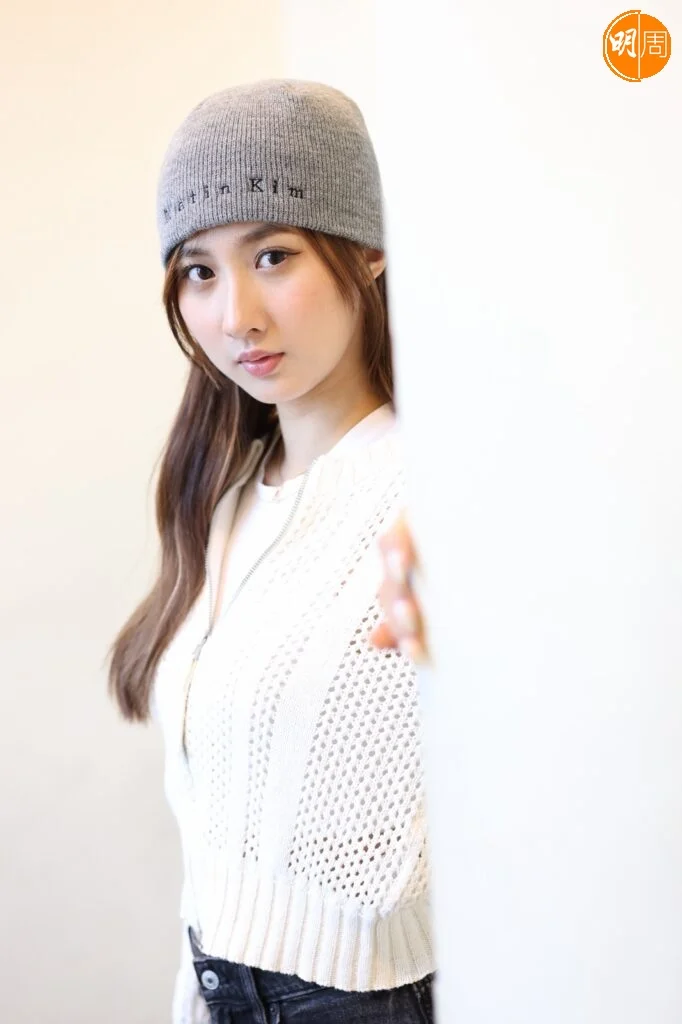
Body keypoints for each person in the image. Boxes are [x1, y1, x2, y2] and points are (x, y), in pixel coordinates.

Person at [107, 78, 435, 1024]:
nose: (236, 315)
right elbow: (214, 849)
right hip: (220, 991)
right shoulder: (225, 499)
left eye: (273, 255)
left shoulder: (435, 493)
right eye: (199, 272)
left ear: (366, 251)